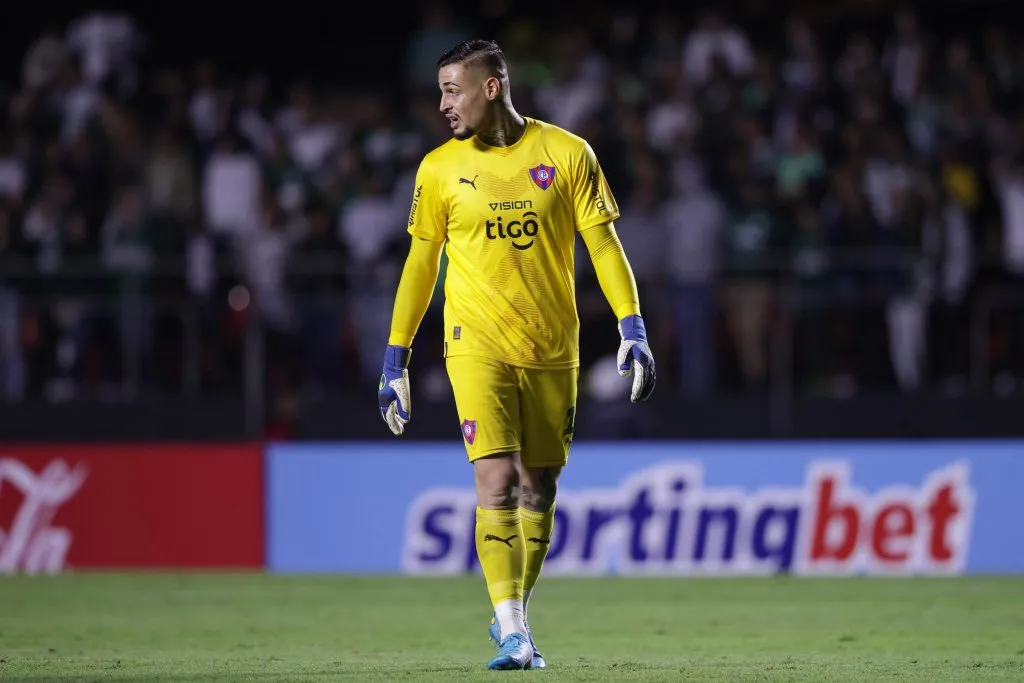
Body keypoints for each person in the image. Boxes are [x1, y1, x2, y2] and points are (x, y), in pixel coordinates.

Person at [377, 39, 656, 671]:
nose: (444, 103)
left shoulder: (566, 153)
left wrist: (631, 328)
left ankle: (514, 615)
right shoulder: (438, 169)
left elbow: (604, 247)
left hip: (553, 347)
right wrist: (395, 360)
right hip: (473, 344)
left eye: (454, 89)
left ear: (492, 87)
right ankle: (512, 629)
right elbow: (422, 265)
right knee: (496, 479)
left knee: (539, 488)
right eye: (441, 90)